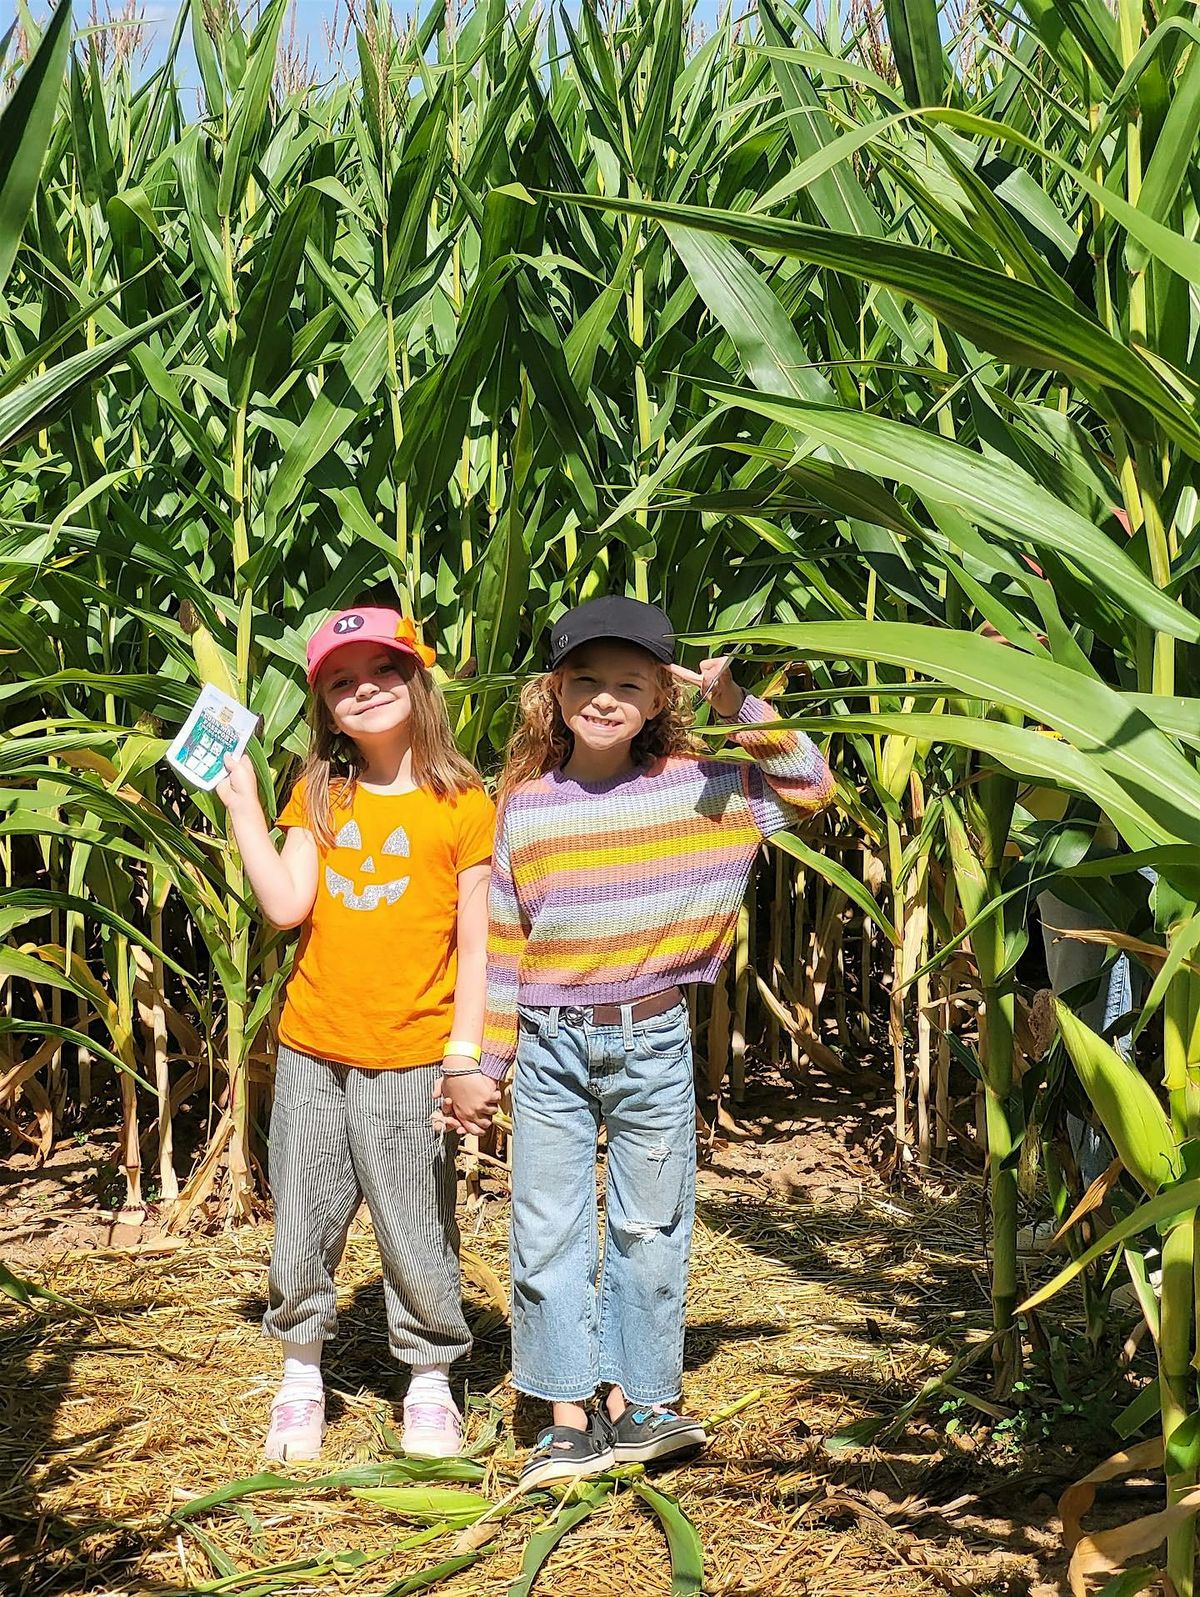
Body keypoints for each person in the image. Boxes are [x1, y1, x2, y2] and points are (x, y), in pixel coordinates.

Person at [478, 596, 833, 1486]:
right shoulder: (525, 804)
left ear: (658, 694)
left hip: (653, 1040)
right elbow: (504, 939)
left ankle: (639, 1401)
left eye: (628, 682)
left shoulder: (699, 787)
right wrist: (485, 1061)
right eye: (585, 680)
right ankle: (565, 1410)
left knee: (651, 1222)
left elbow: (812, 787)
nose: (604, 698)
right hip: (552, 1045)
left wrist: (738, 707)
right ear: (554, 692)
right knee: (548, 1225)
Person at [216, 605, 499, 1464]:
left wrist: (465, 1055)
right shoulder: (321, 793)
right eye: (342, 680)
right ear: (324, 706)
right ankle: (301, 1378)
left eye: (382, 669)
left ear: (418, 680)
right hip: (314, 1046)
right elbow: (286, 903)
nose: (363, 688)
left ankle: (428, 1384)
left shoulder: (464, 803)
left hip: (413, 1055)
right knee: (303, 1212)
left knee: (416, 1222)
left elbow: (478, 941)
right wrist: (243, 810)